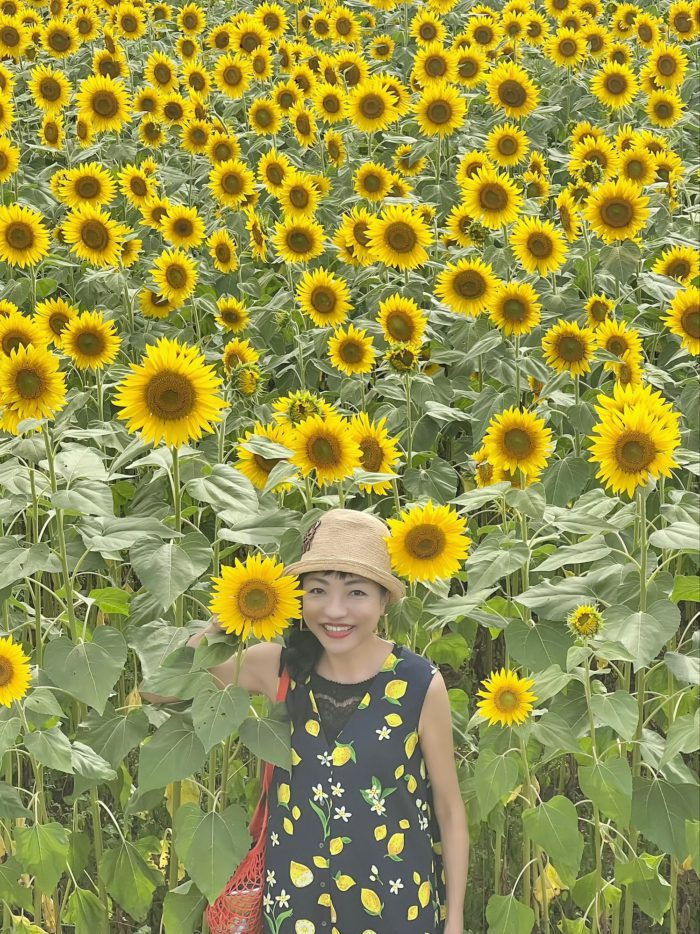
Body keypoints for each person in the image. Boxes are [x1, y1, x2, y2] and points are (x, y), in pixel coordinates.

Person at [142, 508, 469, 934]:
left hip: (394, 900)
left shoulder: (419, 683)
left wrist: (455, 918)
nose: (335, 611)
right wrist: (226, 619)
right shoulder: (276, 667)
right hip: (296, 903)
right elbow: (159, 690)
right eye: (317, 590)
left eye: (356, 593)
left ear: (384, 599)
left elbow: (447, 805)